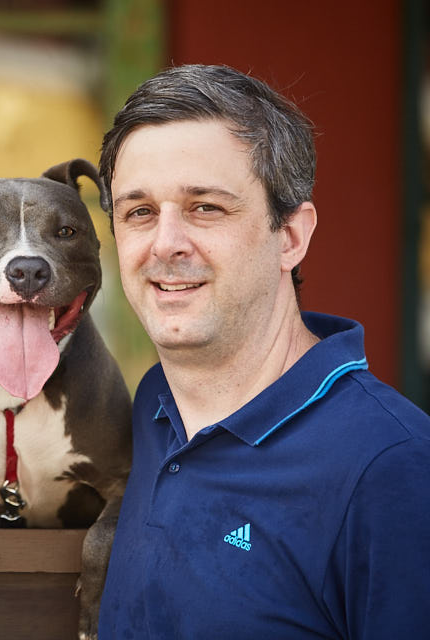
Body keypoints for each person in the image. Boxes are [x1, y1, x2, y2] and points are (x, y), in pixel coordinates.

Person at [96, 64, 430, 638]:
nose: (166, 244)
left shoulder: (394, 466)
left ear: (292, 237)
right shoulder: (155, 405)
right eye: (139, 212)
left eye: (207, 208)